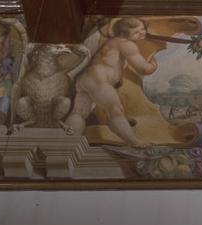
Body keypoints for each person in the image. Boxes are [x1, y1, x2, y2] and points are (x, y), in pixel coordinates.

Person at [64, 18, 157, 147]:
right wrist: (153, 65)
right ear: (123, 33)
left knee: (79, 113)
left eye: (143, 29)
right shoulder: (125, 43)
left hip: (85, 80)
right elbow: (144, 69)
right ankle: (134, 142)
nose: (142, 33)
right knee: (115, 109)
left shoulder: (112, 42)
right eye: (136, 32)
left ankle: (67, 142)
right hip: (99, 80)